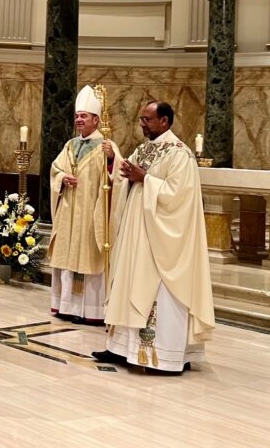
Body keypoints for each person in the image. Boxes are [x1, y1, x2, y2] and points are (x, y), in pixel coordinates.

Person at [94, 101, 215, 375]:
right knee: (128, 283)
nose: (142, 124)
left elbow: (178, 197)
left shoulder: (180, 154)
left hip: (160, 239)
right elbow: (126, 177)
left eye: (147, 119)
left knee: (154, 291)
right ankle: (119, 348)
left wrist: (146, 178)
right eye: (141, 119)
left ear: (164, 121)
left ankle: (162, 356)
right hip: (136, 233)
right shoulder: (144, 149)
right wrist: (115, 163)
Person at [47, 86, 120, 326]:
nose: (79, 119)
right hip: (68, 211)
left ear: (96, 120)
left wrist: (111, 160)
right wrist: (62, 178)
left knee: (89, 257)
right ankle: (65, 306)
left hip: (91, 212)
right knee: (67, 259)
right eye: (77, 116)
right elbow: (55, 168)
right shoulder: (69, 145)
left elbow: (117, 177)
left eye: (84, 116)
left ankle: (91, 310)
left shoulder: (106, 146)